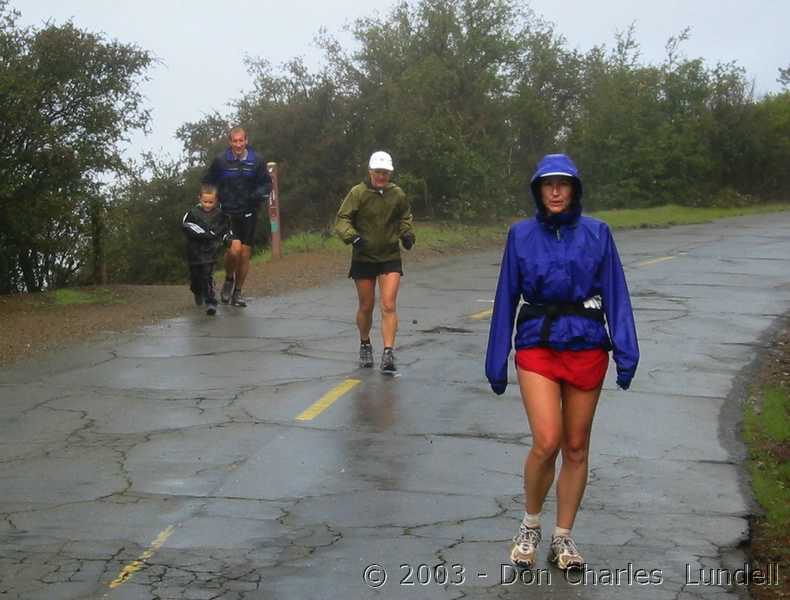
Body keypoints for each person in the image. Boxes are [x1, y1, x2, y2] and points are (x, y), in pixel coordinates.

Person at [485, 153, 639, 570]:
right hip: (538, 342)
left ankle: (563, 537)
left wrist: (626, 353)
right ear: (538, 189)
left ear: (574, 189)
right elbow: (505, 298)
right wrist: (496, 359)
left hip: (587, 344)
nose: (555, 191)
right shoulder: (520, 236)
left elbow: (616, 292)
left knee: (575, 446)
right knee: (547, 440)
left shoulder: (598, 233)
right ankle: (530, 524)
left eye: (563, 183)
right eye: (547, 184)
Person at [335, 151, 416, 375]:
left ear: (390, 173)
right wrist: (352, 237)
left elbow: (404, 217)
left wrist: (407, 234)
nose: (381, 176)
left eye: (385, 173)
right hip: (364, 255)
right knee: (366, 306)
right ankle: (365, 343)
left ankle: (388, 352)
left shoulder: (397, 194)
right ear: (370, 172)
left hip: (389, 255)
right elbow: (342, 220)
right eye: (378, 172)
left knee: (388, 304)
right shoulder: (358, 193)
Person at [202, 126, 272, 308]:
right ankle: (228, 279)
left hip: (249, 212)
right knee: (234, 250)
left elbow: (266, 183)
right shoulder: (221, 161)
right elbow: (208, 182)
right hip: (227, 212)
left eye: (241, 141)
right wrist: (212, 200)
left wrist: (259, 194)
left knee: (245, 254)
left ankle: (238, 293)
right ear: (230, 142)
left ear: (246, 141)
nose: (238, 144)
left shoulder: (256, 160)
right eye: (235, 141)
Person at [181, 184, 232, 316]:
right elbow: (186, 226)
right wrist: (204, 234)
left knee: (207, 275)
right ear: (199, 199)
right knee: (195, 278)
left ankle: (211, 302)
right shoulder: (192, 213)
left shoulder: (220, 214)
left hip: (210, 251)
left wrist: (226, 238)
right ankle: (197, 291)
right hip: (194, 251)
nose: (208, 204)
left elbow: (225, 229)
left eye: (211, 202)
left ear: (216, 201)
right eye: (205, 201)